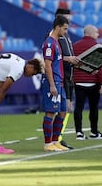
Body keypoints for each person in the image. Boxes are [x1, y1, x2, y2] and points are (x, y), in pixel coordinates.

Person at [72, 25, 102, 141]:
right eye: (96, 32)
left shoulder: (75, 46)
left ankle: (79, 133)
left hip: (78, 81)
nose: (97, 34)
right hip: (93, 82)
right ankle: (94, 132)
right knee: (94, 108)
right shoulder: (97, 47)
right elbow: (100, 66)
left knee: (78, 107)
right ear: (91, 33)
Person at [41, 15, 70, 152]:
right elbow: (47, 66)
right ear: (58, 27)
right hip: (52, 82)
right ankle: (47, 144)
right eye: (64, 29)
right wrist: (52, 85)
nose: (65, 32)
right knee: (51, 112)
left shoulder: (57, 42)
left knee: (63, 111)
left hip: (60, 82)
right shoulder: (49, 43)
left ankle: (55, 140)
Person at [54, 8, 80, 150]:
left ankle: (58, 136)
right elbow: (51, 57)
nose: (68, 23)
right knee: (60, 108)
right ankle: (56, 138)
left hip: (69, 76)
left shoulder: (66, 35)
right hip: (61, 76)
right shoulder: (54, 36)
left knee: (67, 107)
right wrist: (67, 58)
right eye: (66, 20)